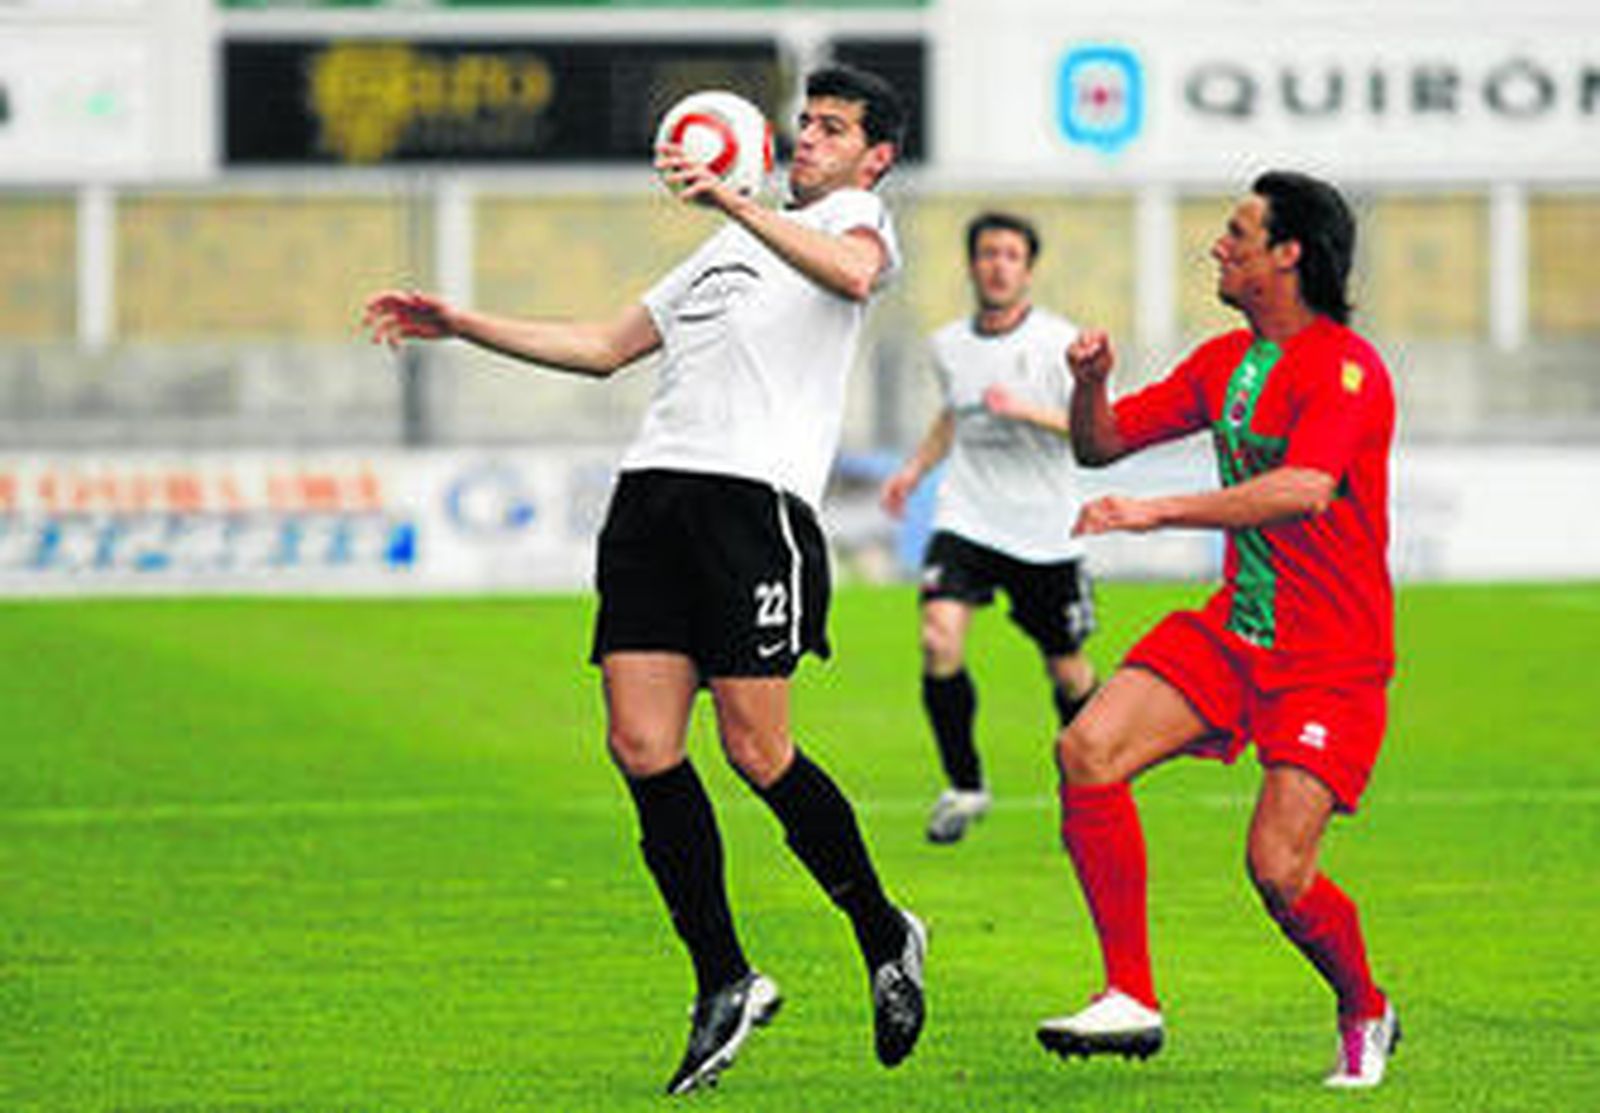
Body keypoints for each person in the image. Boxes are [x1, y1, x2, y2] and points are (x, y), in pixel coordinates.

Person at [362, 65, 926, 1097]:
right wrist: (462, 322)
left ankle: (883, 931)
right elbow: (600, 349)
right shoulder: (728, 247)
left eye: (832, 129)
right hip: (651, 502)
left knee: (757, 750)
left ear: (874, 156)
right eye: (803, 123)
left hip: (752, 511)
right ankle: (724, 979)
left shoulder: (858, 223)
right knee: (639, 743)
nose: (807, 139)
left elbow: (852, 277)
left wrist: (732, 198)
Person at [1034, 171, 1401, 1089]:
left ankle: (1365, 1006)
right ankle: (1130, 995)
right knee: (1087, 748)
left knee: (1278, 871)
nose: (1218, 247)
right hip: (1235, 634)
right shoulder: (1222, 362)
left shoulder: (1347, 369)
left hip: (1330, 661)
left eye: (1239, 233)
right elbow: (1101, 443)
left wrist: (1157, 515)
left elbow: (1305, 489)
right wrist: (1093, 385)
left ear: (1290, 254)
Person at [880, 213, 1098, 845]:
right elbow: (955, 414)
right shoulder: (948, 344)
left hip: (1046, 530)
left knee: (1068, 670)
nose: (998, 264)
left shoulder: (1063, 342)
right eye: (987, 253)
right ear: (972, 265)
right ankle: (965, 786)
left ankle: (1089, 792)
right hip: (968, 516)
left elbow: (1093, 434)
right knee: (937, 639)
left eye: (1010, 255)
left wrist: (1026, 409)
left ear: (1028, 269)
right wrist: (915, 470)